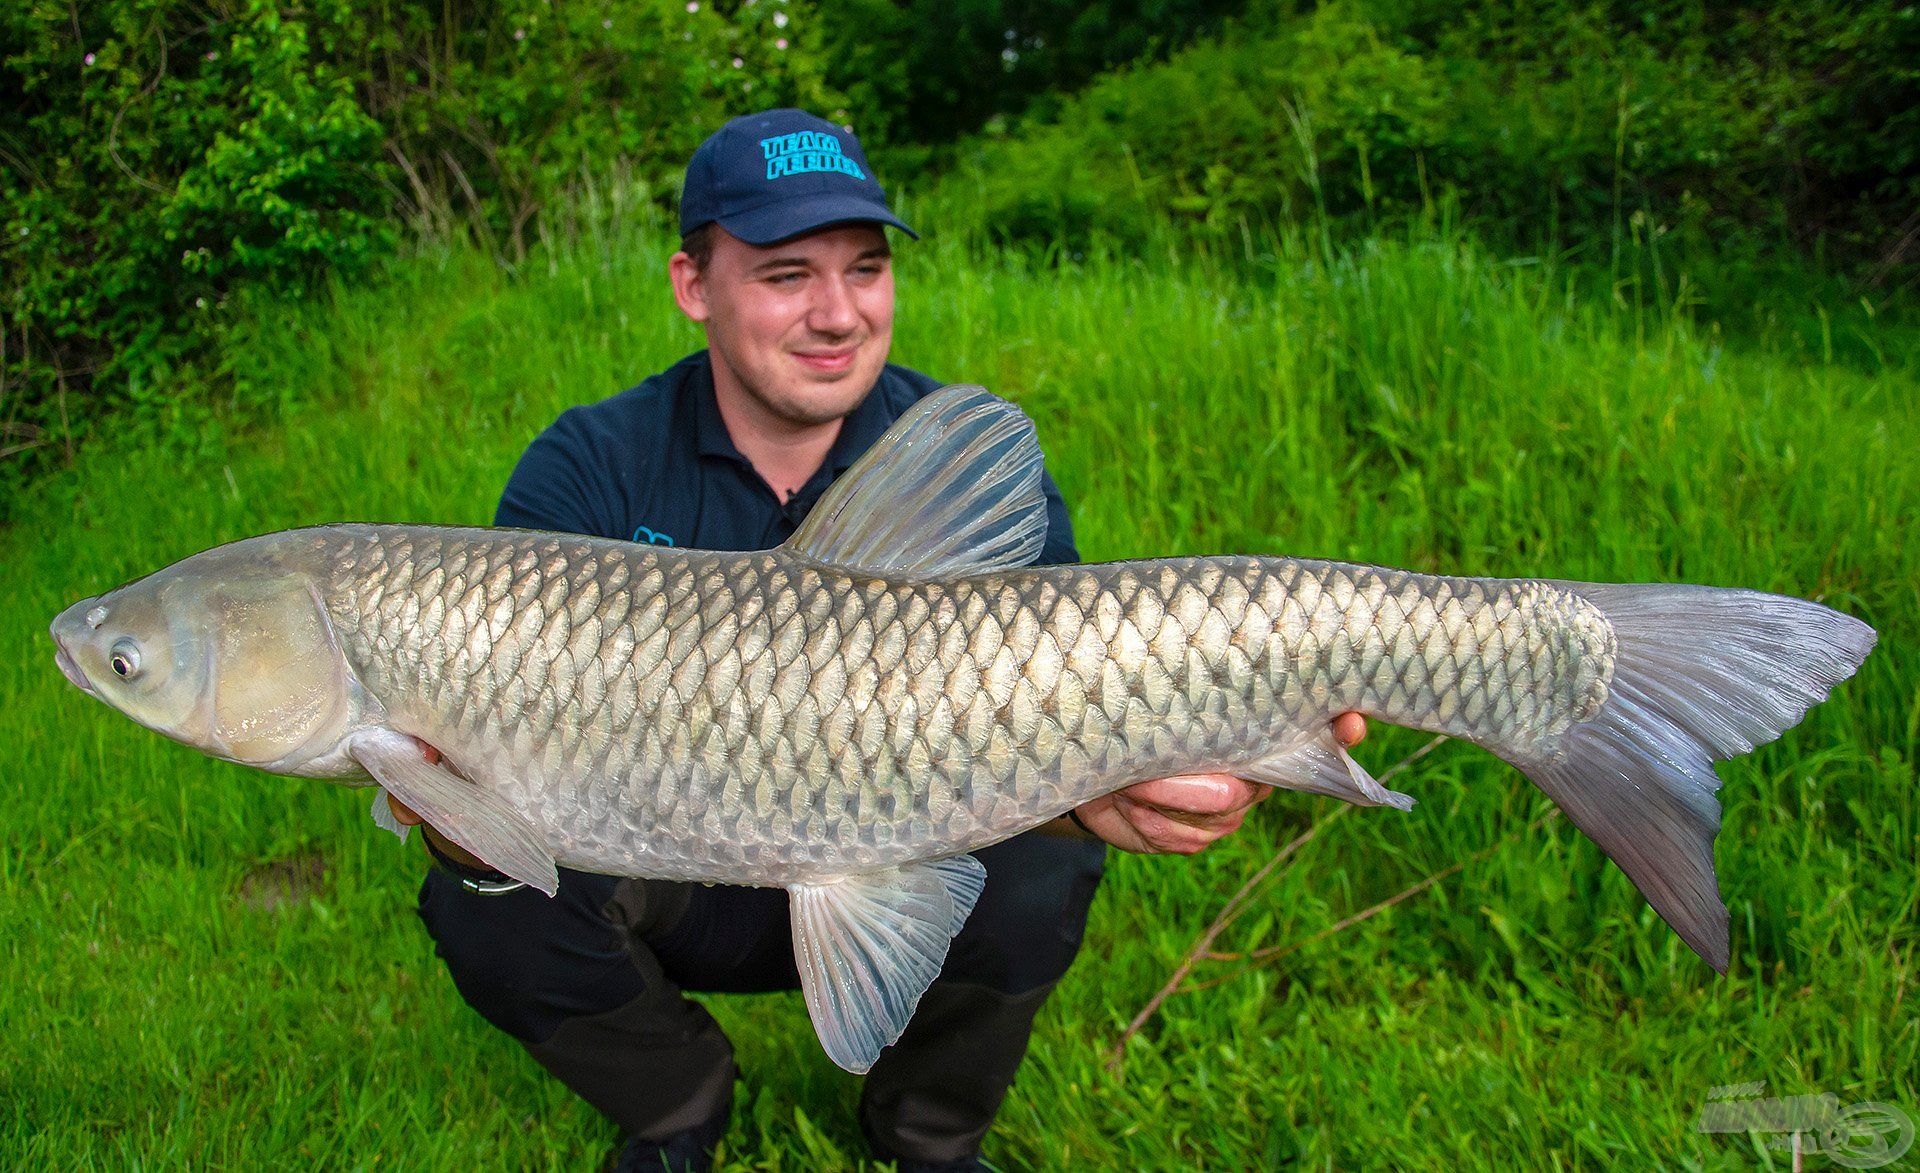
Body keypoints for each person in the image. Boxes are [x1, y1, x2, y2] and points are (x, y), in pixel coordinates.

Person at [388, 108, 1366, 1172]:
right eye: (786, 274)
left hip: (904, 846)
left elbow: (1046, 696)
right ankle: (676, 1101)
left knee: (1048, 866)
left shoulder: (949, 459)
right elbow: (487, 761)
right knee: (480, 897)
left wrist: (1097, 782)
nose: (839, 314)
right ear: (691, 284)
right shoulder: (591, 465)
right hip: (668, 868)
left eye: (865, 267)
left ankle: (927, 1136)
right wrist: (454, 813)